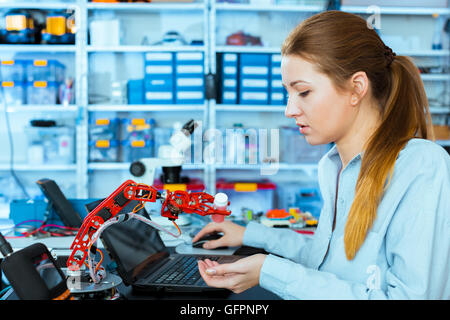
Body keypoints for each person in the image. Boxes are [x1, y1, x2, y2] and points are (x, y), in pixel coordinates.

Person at [194, 10, 450, 299]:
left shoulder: (422, 167)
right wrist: (251, 235)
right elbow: (326, 261)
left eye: (303, 92)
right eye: (287, 94)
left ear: (356, 88)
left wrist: (270, 270)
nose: (289, 110)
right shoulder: (333, 166)